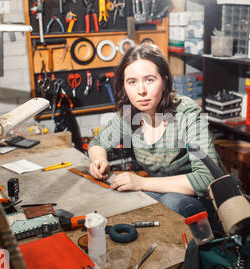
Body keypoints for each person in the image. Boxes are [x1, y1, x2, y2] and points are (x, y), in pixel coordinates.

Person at [87, 43, 226, 221]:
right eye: (132, 82)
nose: (141, 90)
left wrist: (142, 183)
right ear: (124, 85)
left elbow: (207, 178)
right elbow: (97, 143)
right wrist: (100, 160)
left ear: (165, 80)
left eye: (150, 79)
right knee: (129, 201)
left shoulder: (186, 113)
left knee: (169, 203)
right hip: (164, 193)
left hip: (209, 201)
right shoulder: (130, 114)